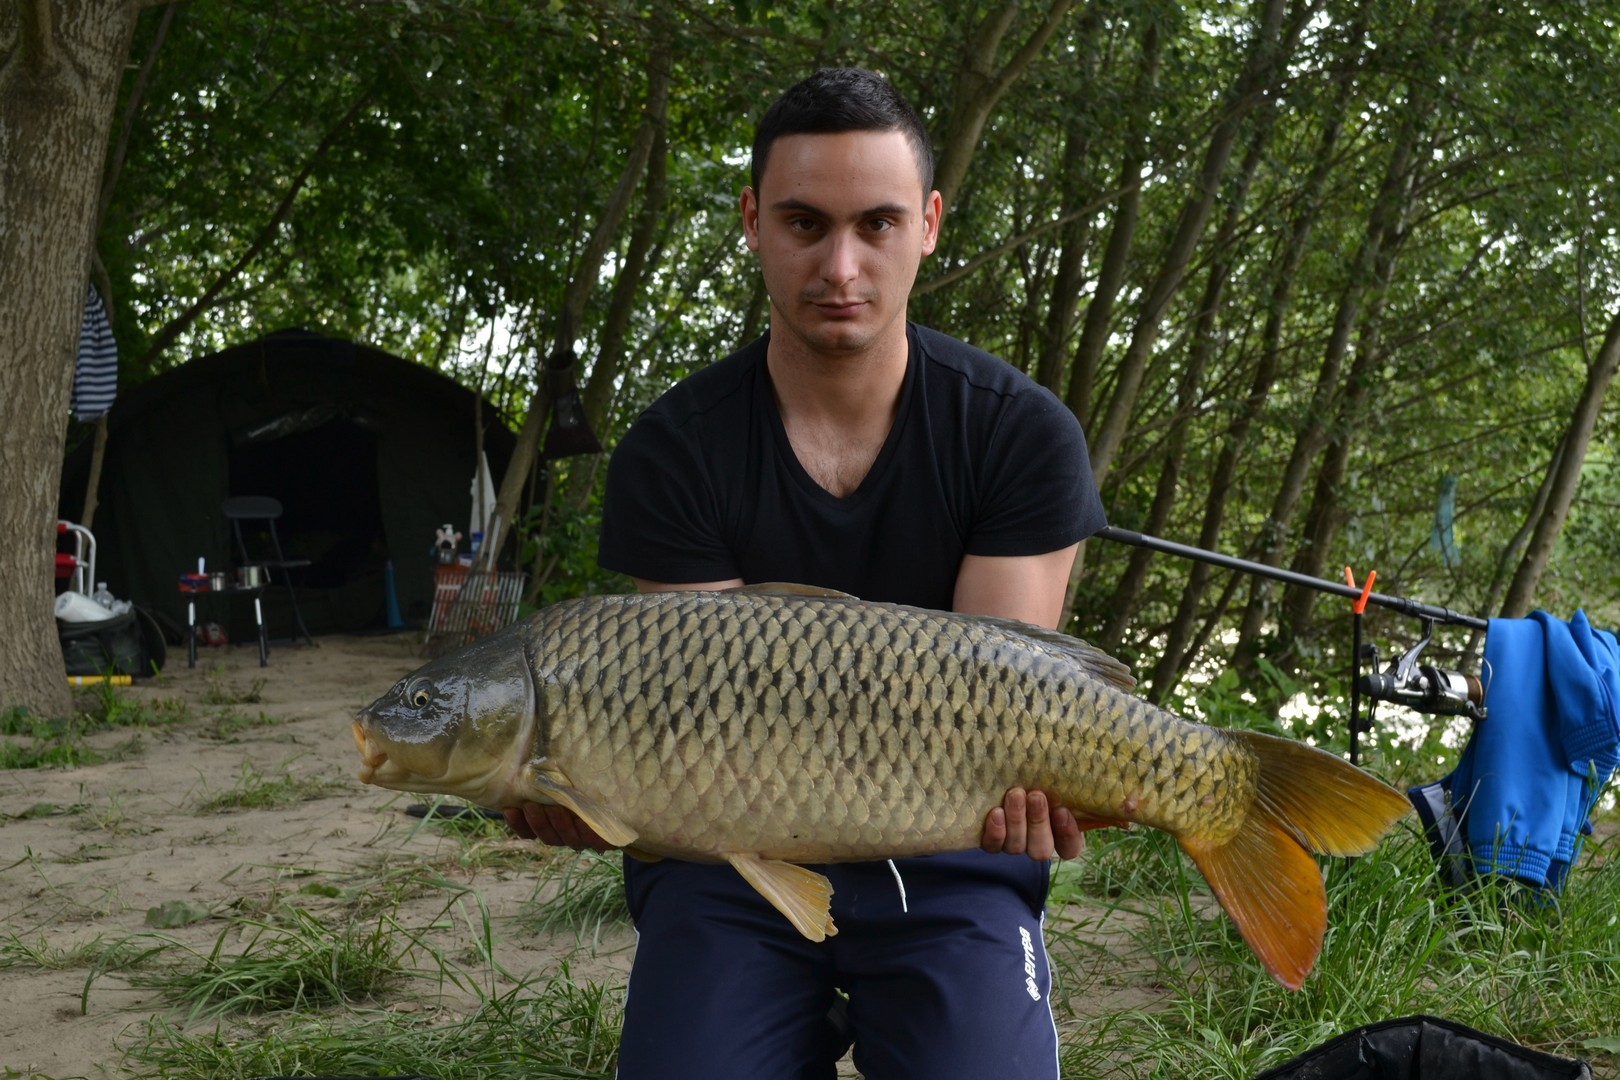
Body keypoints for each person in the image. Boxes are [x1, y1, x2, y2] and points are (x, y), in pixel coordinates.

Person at [506, 66, 1107, 1079]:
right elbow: (692, 744)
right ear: (752, 221)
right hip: (727, 863)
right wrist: (592, 797)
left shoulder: (1021, 435)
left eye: (877, 224)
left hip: (949, 861)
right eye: (804, 224)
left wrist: (1045, 792)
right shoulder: (675, 449)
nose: (841, 266)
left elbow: (1012, 711)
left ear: (928, 224)